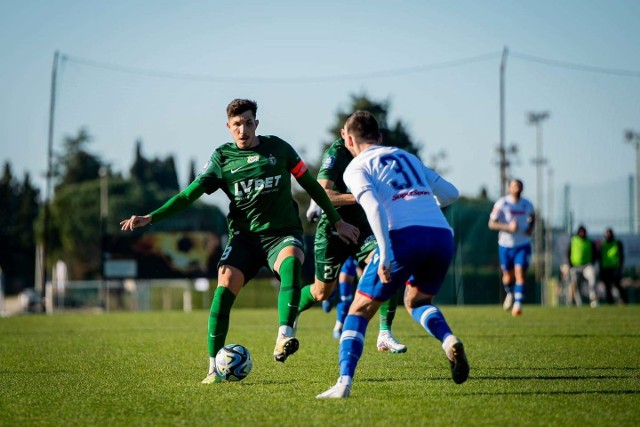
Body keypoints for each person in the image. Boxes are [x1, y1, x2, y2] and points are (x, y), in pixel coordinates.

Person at [120, 99, 359, 384]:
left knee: (291, 263)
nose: (243, 129)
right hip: (244, 239)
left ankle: (285, 334)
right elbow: (187, 196)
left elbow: (311, 186)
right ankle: (213, 368)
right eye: (237, 125)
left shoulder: (279, 150)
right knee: (223, 289)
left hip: (282, 233)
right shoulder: (222, 159)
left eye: (248, 123)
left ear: (256, 123)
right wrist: (151, 217)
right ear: (228, 127)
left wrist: (338, 221)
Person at [317, 111, 467, 399]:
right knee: (417, 300)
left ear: (348, 139)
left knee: (358, 310)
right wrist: (421, 203)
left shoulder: (356, 166)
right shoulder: (407, 156)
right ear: (380, 138)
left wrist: (384, 253)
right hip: (441, 234)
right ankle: (449, 341)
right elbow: (451, 193)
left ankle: (343, 383)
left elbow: (372, 207)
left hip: (404, 236)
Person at [299, 137, 407, 353]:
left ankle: (385, 334)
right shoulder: (335, 155)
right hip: (332, 230)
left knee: (388, 264)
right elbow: (323, 194)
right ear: (345, 135)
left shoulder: (377, 155)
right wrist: (361, 196)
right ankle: (288, 318)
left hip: (362, 228)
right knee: (321, 293)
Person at [488, 179, 535, 316]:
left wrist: (530, 228)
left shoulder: (527, 204)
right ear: (509, 188)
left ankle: (518, 304)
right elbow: (491, 223)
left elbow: (533, 218)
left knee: (520, 274)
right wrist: (508, 227)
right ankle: (510, 293)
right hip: (505, 245)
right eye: (514, 186)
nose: (517, 188)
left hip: (522, 244)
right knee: (507, 277)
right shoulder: (502, 203)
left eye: (519, 185)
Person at [567, 225, 598, 307]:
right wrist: (570, 265)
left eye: (583, 232)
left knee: (592, 278)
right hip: (576, 267)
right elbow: (568, 253)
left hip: (587, 266)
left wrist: (592, 263)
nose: (582, 234)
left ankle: (593, 299)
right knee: (576, 284)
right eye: (580, 232)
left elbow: (595, 253)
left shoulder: (589, 242)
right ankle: (579, 304)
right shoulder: (573, 241)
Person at [598, 227, 627, 305]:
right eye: (606, 233)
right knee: (607, 287)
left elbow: (621, 256)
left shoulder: (617, 243)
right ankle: (610, 303)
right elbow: (600, 257)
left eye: (609, 233)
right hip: (606, 268)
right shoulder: (602, 244)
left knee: (617, 284)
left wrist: (620, 267)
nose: (608, 235)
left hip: (615, 267)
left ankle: (625, 300)